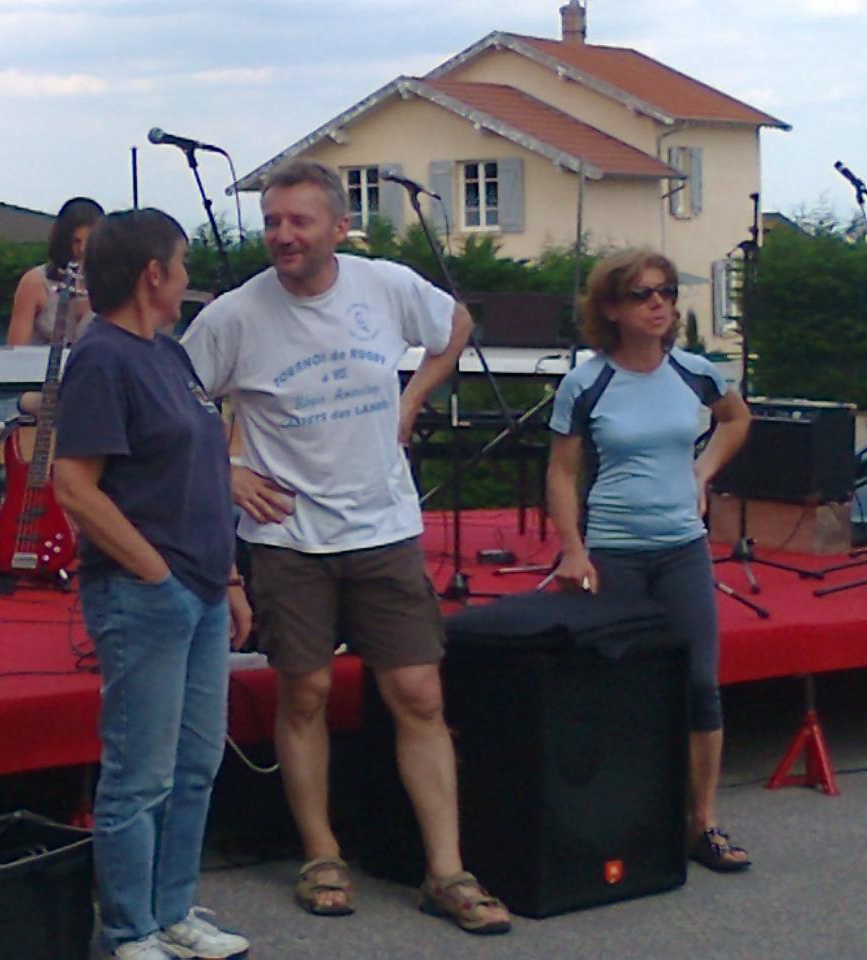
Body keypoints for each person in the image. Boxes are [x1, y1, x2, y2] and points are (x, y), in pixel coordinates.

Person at [181, 160, 511, 934]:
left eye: (299, 221)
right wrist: (225, 469)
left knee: (420, 696)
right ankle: (322, 854)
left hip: (384, 527)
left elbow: (454, 325)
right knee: (307, 695)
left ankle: (447, 872)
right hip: (288, 538)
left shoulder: (385, 285)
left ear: (338, 227)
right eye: (271, 222)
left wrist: (411, 399)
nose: (283, 236)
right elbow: (176, 400)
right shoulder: (235, 315)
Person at [52, 208, 252, 960]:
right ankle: (129, 929)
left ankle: (173, 911)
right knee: (139, 772)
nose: (189, 277)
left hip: (199, 588)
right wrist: (155, 571)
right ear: (153, 275)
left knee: (195, 764)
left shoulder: (168, 355)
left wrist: (226, 579)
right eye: (182, 263)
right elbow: (75, 485)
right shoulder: (103, 357)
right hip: (148, 594)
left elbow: (202, 472)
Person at [545, 248, 752, 872]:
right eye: (642, 294)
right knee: (617, 687)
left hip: (682, 549)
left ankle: (702, 822)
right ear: (611, 308)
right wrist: (573, 550)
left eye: (665, 291)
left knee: (699, 684)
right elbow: (560, 471)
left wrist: (703, 470)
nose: (658, 303)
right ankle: (616, 815)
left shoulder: (695, 371)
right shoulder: (587, 383)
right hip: (615, 550)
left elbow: (737, 419)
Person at [6, 195, 104, 346]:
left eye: (89, 241)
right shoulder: (34, 282)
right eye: (76, 241)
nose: (83, 249)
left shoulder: (108, 283)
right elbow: (16, 350)